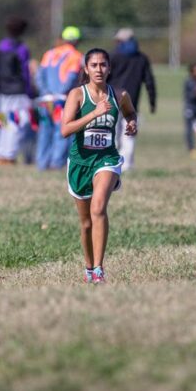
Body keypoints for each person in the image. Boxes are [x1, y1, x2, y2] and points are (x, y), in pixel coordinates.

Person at [61, 48, 137, 284]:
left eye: (103, 65)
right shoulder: (77, 95)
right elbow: (65, 130)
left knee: (98, 209)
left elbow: (130, 112)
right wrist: (93, 114)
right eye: (93, 65)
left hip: (107, 159)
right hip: (80, 163)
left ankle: (99, 270)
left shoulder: (120, 94)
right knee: (85, 223)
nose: (99, 69)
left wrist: (132, 123)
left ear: (109, 68)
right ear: (86, 69)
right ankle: (88, 267)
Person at [35, 26, 83, 170]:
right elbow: (72, 77)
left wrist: (46, 93)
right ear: (76, 41)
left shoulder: (49, 53)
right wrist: (59, 94)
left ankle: (41, 164)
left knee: (44, 131)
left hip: (45, 100)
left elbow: (39, 76)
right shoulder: (76, 56)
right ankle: (56, 163)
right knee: (62, 131)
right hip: (62, 100)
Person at [109, 28, 157, 171]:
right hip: (132, 102)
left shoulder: (113, 56)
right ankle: (127, 165)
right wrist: (152, 102)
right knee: (130, 133)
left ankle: (112, 162)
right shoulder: (141, 58)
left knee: (112, 133)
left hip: (111, 99)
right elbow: (149, 81)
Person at [0, 17, 33, 165]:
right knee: (19, 121)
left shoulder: (0, 46)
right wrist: (29, 91)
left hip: (3, 91)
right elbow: (25, 72)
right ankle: (10, 156)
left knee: (4, 123)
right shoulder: (21, 48)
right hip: (18, 92)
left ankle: (1, 154)